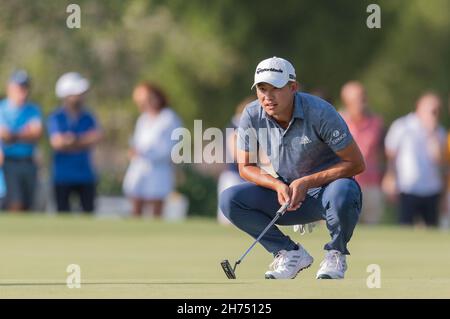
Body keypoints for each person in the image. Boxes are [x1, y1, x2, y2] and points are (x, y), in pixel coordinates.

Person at [219, 57, 365, 280]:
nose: (268, 96)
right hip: (289, 195)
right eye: (262, 88)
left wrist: (307, 182)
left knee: (344, 191)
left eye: (275, 88)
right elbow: (245, 167)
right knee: (230, 199)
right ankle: (289, 252)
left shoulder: (321, 112)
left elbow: (356, 163)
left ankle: (336, 253)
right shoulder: (251, 114)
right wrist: (276, 184)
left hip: (330, 193)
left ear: (293, 87)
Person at [383, 92, 446, 227]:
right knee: (405, 227)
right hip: (408, 187)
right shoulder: (402, 126)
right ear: (419, 107)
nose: (433, 113)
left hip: (431, 188)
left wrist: (432, 134)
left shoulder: (439, 131)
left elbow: (439, 160)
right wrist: (390, 177)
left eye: (436, 110)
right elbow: (391, 154)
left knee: (431, 229)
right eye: (431, 109)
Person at [123, 82, 182, 218]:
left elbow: (172, 147)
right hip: (139, 166)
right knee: (136, 201)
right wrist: (135, 152)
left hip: (159, 168)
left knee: (156, 204)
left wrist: (148, 154)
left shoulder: (169, 118)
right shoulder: (142, 119)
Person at [47, 72, 103, 213]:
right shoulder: (56, 117)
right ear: (66, 95)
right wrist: (82, 141)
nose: (81, 96)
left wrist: (72, 140)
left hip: (86, 175)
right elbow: (57, 143)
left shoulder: (88, 116)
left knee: (88, 214)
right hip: (62, 176)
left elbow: (96, 137)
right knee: (63, 215)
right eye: (77, 93)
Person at [340, 81, 385, 224]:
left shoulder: (377, 122)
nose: (362, 102)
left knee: (371, 229)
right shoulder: (337, 120)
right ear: (347, 101)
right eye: (358, 98)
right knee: (344, 227)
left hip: (371, 185)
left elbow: (383, 152)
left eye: (363, 97)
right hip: (344, 183)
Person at [0, 70, 43, 211]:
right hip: (9, 162)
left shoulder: (33, 109)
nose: (23, 92)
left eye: (25, 88)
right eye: (19, 88)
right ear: (10, 88)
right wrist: (24, 134)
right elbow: (4, 135)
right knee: (15, 203)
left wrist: (13, 136)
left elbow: (36, 133)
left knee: (28, 204)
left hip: (29, 162)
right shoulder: (2, 109)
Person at [217, 97, 252, 225]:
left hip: (245, 176)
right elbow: (237, 156)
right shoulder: (235, 127)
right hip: (233, 176)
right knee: (228, 218)